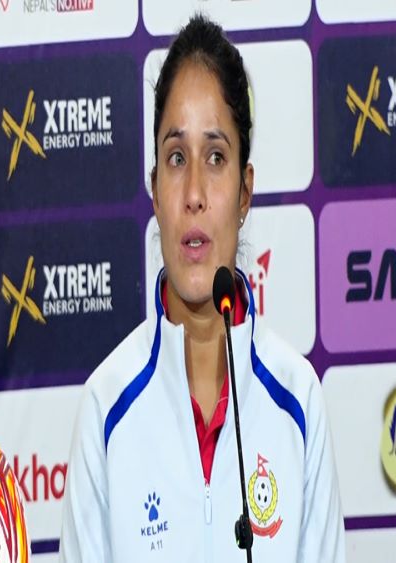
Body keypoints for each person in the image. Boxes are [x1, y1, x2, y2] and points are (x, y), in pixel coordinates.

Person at [59, 15, 344, 562]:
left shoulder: (298, 400)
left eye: (215, 157)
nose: (193, 192)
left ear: (244, 193)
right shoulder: (106, 407)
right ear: (154, 190)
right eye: (176, 158)